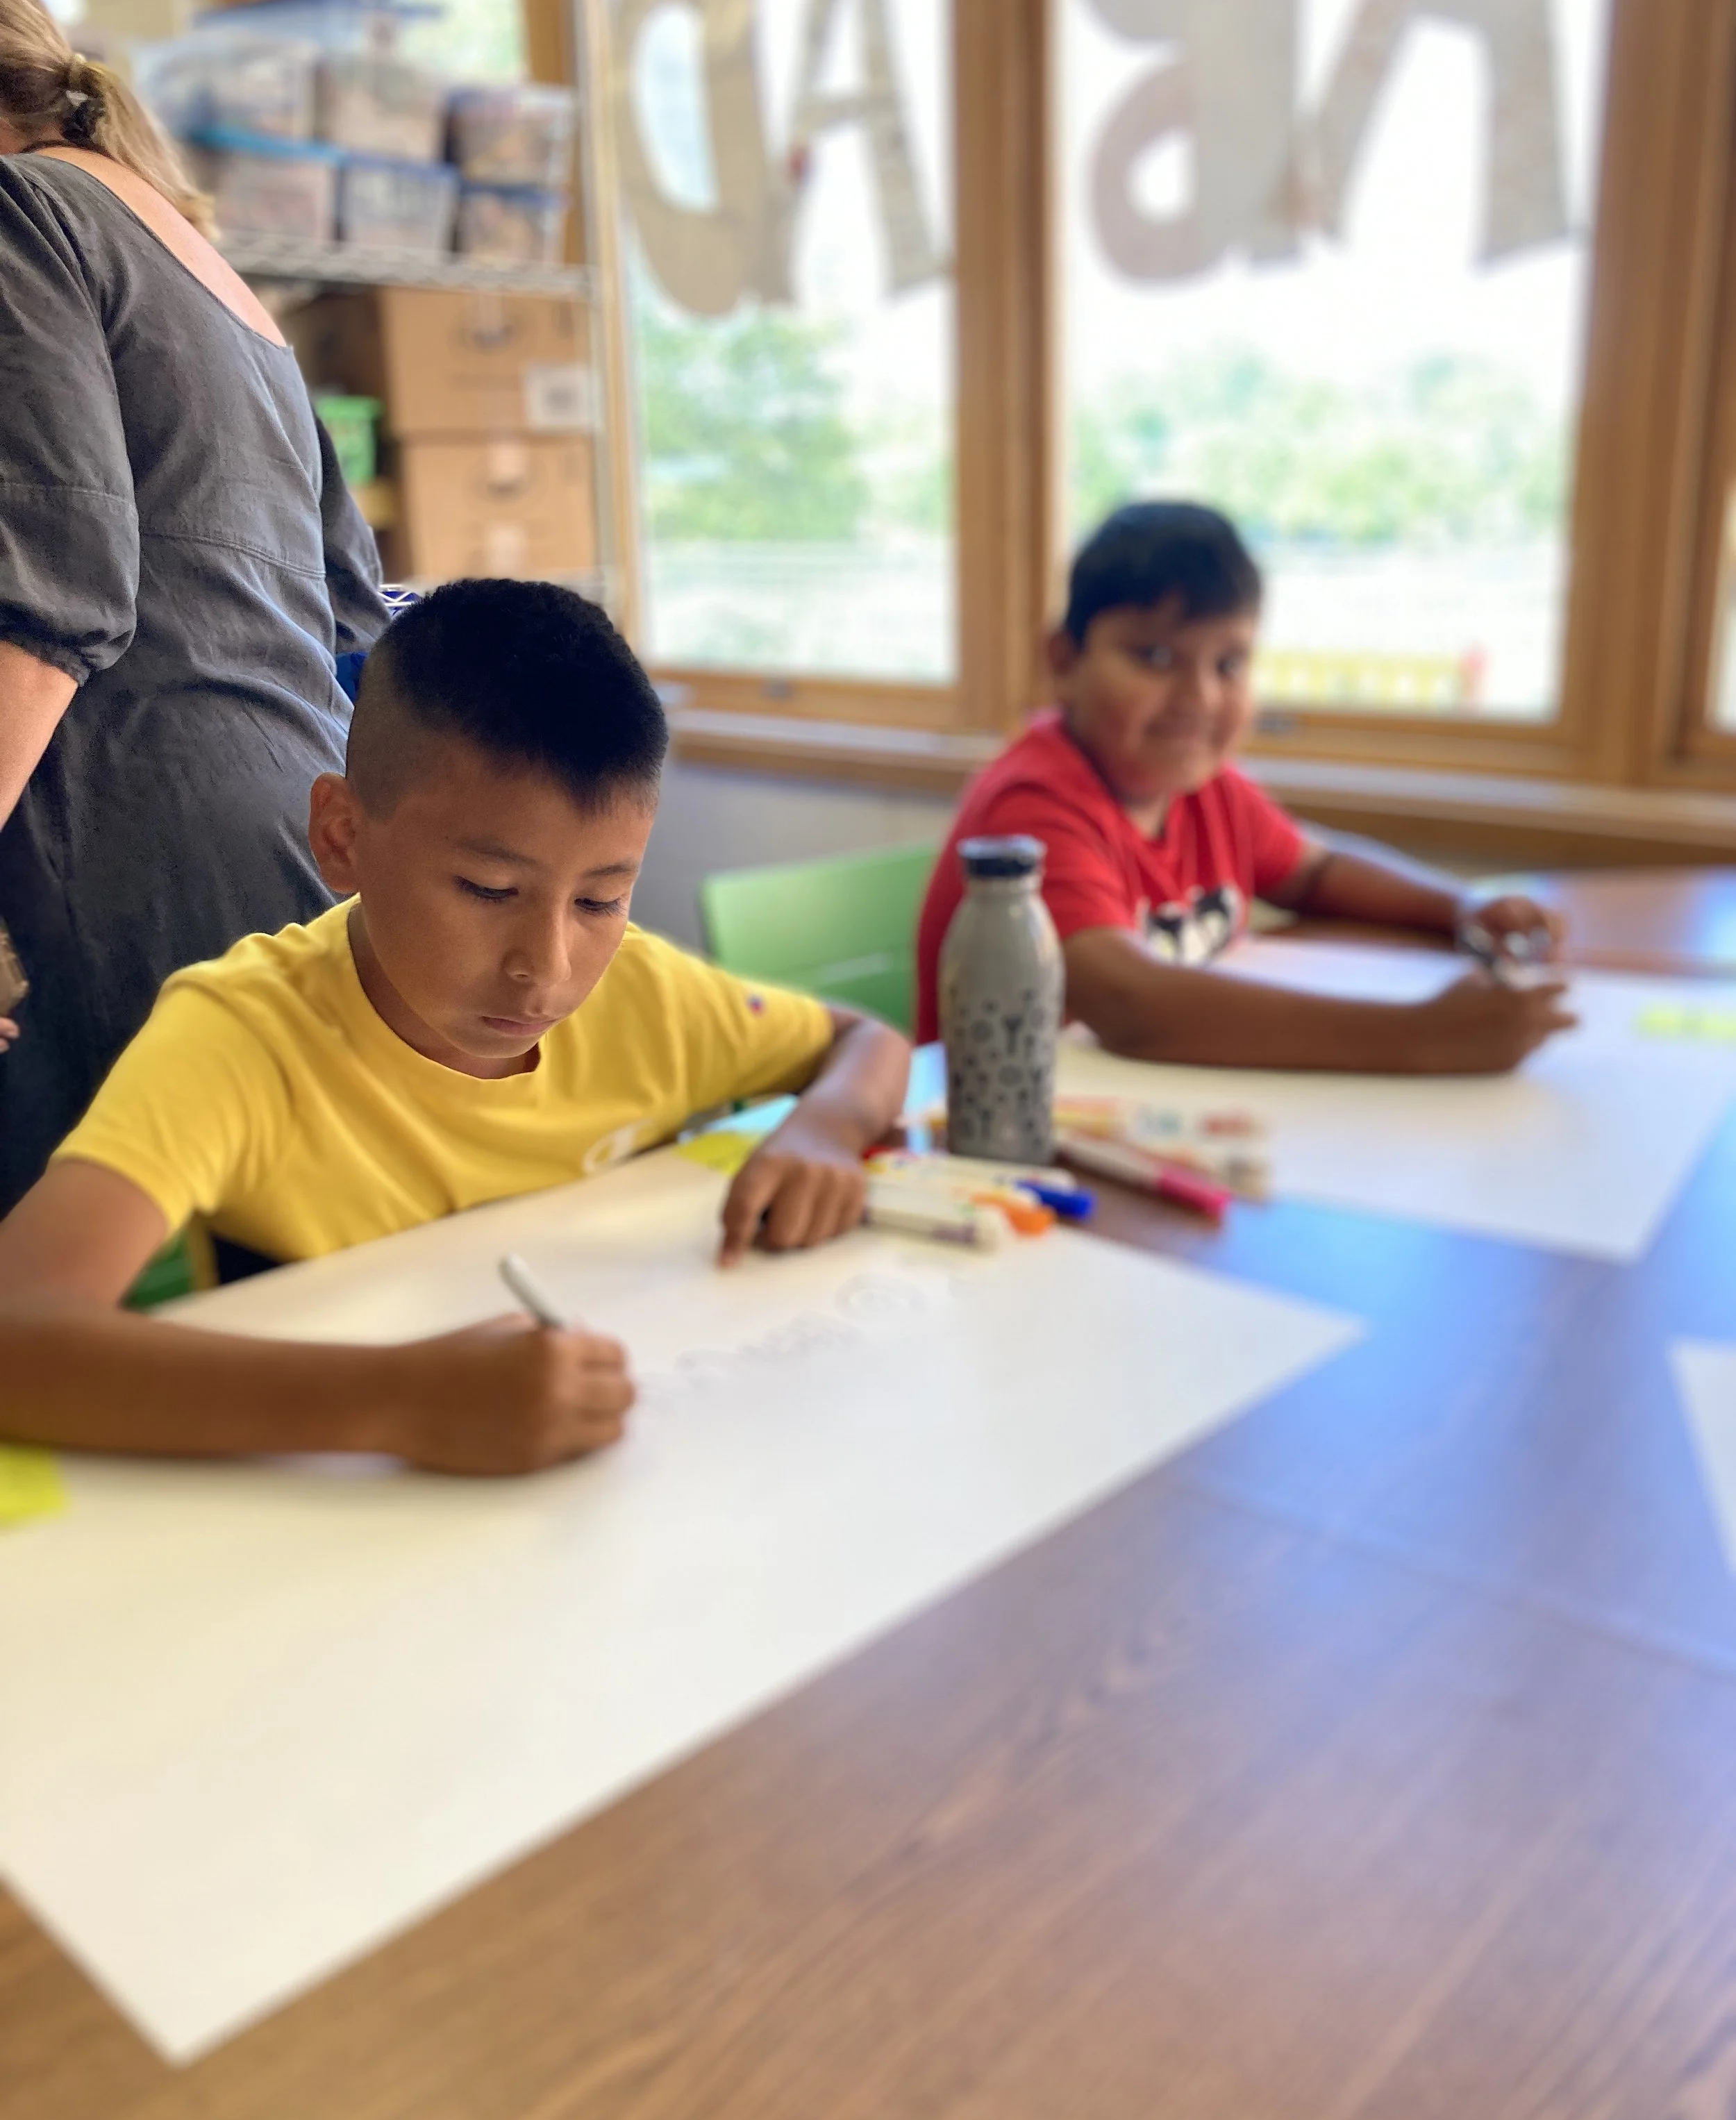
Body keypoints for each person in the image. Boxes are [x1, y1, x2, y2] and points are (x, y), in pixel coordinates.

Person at [0, 580, 911, 1476]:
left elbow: (864, 1041)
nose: (546, 967)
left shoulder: (643, 995)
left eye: (600, 900)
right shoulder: (244, 1037)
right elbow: (16, 1334)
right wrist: (399, 1403)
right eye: (487, 889)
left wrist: (827, 1129)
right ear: (343, 836)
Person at [0, 0, 388, 1210]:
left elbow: (51, 598)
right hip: (298, 845)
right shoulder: (210, 267)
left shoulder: (21, 212)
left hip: (131, 855)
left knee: (79, 1291)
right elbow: (351, 607)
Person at [915, 501, 1575, 1071]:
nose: (1199, 696)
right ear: (1064, 662)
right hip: (1019, 1137)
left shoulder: (1210, 790)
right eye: (1155, 657)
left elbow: (1317, 871)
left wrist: (1461, 907)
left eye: (1229, 663)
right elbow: (1131, 1004)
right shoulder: (1032, 807)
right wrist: (1421, 1037)